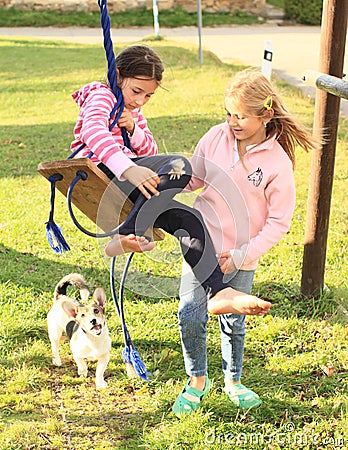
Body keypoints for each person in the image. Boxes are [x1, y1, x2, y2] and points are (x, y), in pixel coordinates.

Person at [70, 45, 272, 317]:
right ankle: (127, 231)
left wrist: (133, 128)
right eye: (136, 91)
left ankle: (218, 291)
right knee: (180, 165)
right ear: (118, 76)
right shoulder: (102, 95)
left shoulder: (132, 110)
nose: (140, 101)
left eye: (148, 95)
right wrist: (128, 168)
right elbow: (92, 131)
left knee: (189, 219)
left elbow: (150, 152)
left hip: (132, 184)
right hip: (102, 170)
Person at [172, 69, 320, 416]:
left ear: (265, 115)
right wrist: (168, 185)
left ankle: (233, 380)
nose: (232, 122)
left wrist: (241, 255)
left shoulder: (277, 163)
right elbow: (195, 179)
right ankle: (197, 380)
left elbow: (279, 222)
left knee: (233, 321)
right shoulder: (214, 137)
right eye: (228, 114)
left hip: (241, 255)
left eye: (240, 116)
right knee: (189, 314)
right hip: (200, 246)